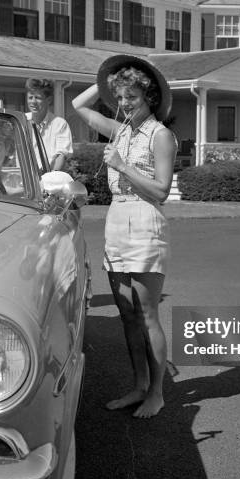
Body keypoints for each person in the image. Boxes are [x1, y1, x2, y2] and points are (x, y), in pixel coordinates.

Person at [72, 55, 177, 419]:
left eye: (132, 97)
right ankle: (138, 386)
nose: (125, 104)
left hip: (146, 222)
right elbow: (77, 105)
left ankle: (157, 393)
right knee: (127, 315)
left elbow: (161, 191)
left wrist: (121, 165)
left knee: (147, 314)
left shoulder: (161, 135)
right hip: (118, 221)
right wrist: (108, 80)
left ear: (148, 96)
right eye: (120, 98)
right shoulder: (121, 130)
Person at [25, 78, 73, 171]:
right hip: (24, 178)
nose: (33, 102)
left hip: (49, 177)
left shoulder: (59, 124)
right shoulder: (21, 120)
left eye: (38, 97)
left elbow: (61, 155)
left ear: (49, 100)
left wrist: (51, 179)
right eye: (30, 97)